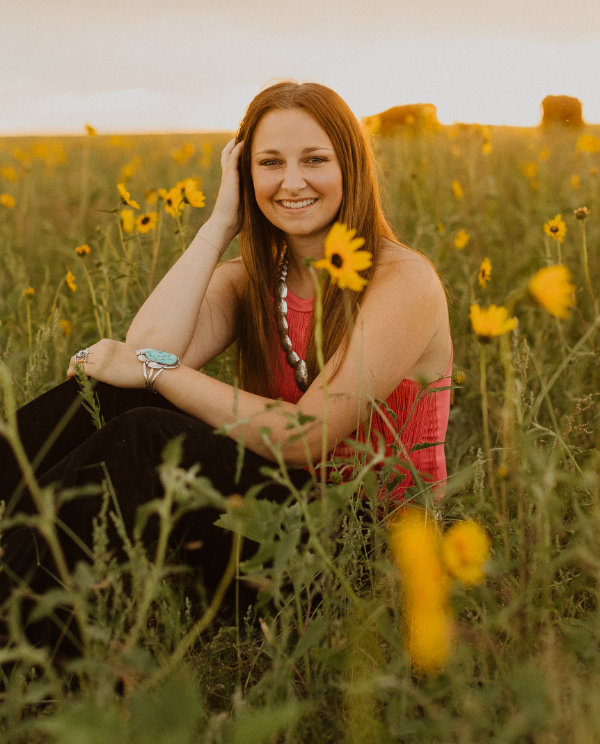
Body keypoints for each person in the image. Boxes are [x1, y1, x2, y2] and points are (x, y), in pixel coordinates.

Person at [0, 81, 452, 644]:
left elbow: (304, 439)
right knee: (106, 398)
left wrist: (160, 373)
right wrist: (219, 224)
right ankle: (22, 598)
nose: (291, 181)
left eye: (315, 159)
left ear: (352, 166)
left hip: (369, 555)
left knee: (144, 431)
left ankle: (17, 636)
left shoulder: (401, 281)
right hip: (270, 520)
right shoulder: (253, 278)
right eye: (269, 163)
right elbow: (145, 350)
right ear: (244, 175)